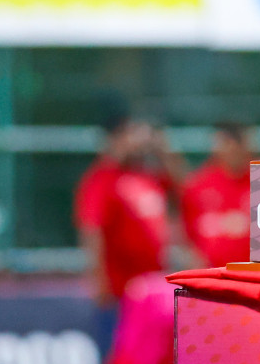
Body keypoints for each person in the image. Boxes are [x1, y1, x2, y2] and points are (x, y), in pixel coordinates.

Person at [74, 117, 186, 307]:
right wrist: (99, 280)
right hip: (120, 290)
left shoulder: (149, 176)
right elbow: (92, 231)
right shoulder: (101, 180)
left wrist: (162, 148)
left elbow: (186, 190)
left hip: (154, 288)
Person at [181, 122, 254, 268]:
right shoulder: (198, 185)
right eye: (224, 143)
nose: (230, 150)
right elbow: (187, 237)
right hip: (211, 277)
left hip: (254, 277)